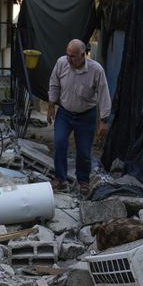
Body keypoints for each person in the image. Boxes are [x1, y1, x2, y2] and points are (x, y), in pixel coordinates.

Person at [46, 39, 111, 195]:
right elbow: (54, 83)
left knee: (83, 151)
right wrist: (51, 105)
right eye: (67, 54)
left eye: (73, 56)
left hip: (86, 115)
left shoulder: (96, 70)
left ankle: (83, 181)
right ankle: (60, 179)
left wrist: (103, 120)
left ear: (83, 55)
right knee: (60, 143)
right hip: (65, 113)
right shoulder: (61, 63)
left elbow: (103, 94)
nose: (69, 59)